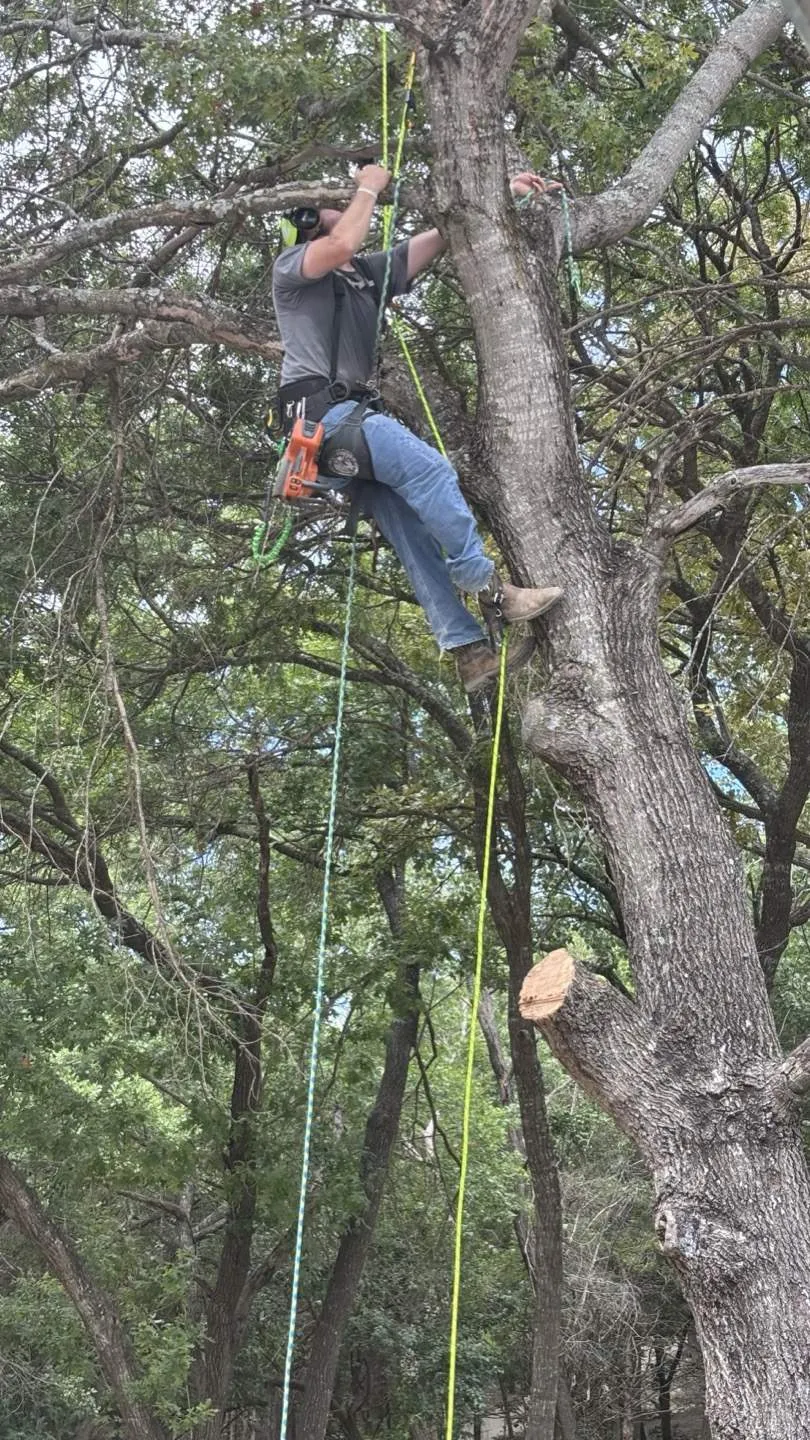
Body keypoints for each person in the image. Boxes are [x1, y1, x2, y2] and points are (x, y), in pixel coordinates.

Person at [271, 164, 564, 693]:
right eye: (334, 206)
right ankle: (492, 589)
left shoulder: (365, 274)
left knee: (409, 530)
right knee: (429, 470)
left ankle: (468, 650)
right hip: (325, 417)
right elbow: (339, 246)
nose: (349, 208)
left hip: (339, 431)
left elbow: (441, 237)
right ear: (310, 222)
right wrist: (367, 186)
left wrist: (508, 192)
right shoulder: (294, 266)